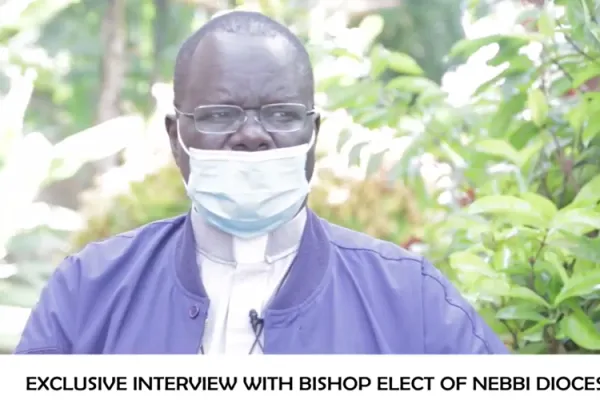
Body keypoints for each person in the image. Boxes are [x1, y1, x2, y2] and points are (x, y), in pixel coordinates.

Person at [15, 11, 508, 354]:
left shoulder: (412, 302)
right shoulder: (88, 291)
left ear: (314, 135)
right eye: (220, 114)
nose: (252, 135)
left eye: (280, 113)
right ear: (175, 136)